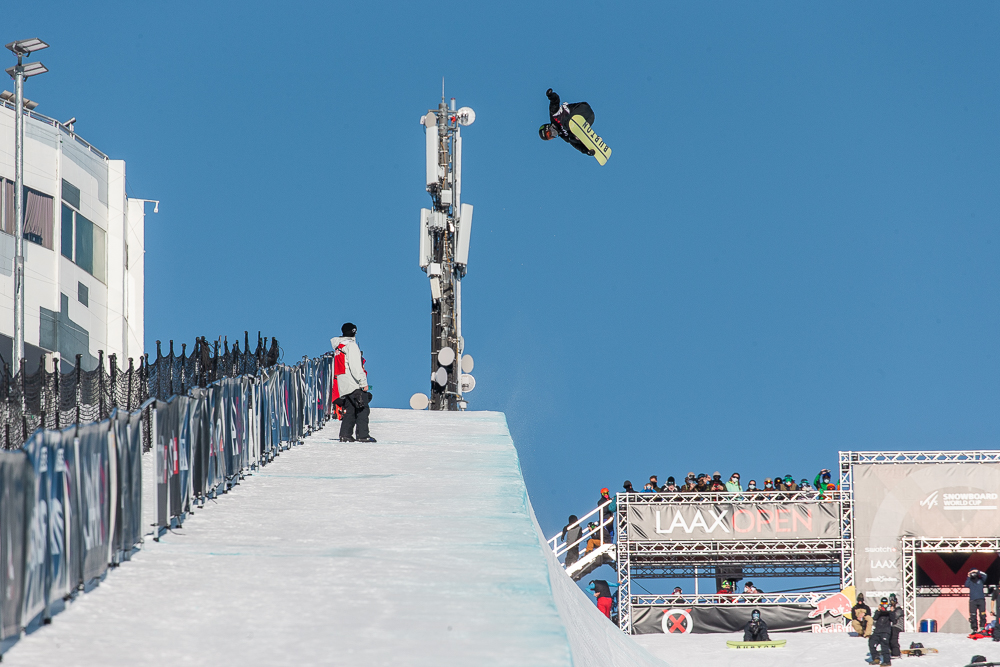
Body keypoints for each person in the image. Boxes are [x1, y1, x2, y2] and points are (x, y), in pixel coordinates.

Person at [332, 323, 376, 443]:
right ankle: (363, 435)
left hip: (343, 384)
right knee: (362, 408)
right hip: (353, 384)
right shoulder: (351, 346)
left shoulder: (338, 347)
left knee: (350, 409)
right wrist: (363, 383)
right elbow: (356, 367)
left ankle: (345, 434)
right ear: (354, 332)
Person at [539, 89, 596, 156]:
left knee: (566, 126)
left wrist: (550, 95)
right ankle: (588, 138)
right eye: (550, 138)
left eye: (549, 134)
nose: (552, 135)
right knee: (571, 138)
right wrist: (586, 151)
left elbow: (555, 101)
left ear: (548, 127)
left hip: (582, 109)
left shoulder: (554, 115)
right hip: (590, 118)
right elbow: (575, 145)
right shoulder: (563, 135)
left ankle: (578, 131)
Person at [870, 597, 893, 665]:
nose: (884, 605)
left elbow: (893, 620)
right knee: (871, 643)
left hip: (885, 631)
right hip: (877, 631)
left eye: (885, 603)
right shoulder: (879, 611)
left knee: (884, 646)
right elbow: (875, 618)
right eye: (883, 603)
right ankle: (876, 658)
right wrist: (878, 610)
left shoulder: (889, 611)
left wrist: (891, 612)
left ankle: (887, 661)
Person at [967, 568, 989, 632]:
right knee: (973, 615)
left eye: (974, 573)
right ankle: (974, 629)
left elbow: (985, 575)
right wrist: (968, 576)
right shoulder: (970, 581)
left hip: (981, 600)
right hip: (973, 601)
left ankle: (982, 628)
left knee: (982, 614)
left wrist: (978, 571)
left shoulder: (981, 580)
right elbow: (966, 585)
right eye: (972, 573)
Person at [889, 593, 904, 658]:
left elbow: (895, 617)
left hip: (897, 625)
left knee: (893, 639)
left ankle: (896, 653)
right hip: (892, 626)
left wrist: (891, 612)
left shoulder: (898, 609)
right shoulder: (890, 608)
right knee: (888, 638)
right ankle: (892, 650)